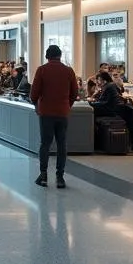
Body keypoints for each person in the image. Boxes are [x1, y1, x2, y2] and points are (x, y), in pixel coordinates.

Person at [30, 45, 79, 188]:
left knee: (45, 144)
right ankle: (60, 177)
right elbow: (74, 93)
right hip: (62, 113)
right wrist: (66, 105)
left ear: (47, 56)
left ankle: (43, 175)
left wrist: (36, 105)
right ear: (60, 55)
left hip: (46, 113)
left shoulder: (42, 70)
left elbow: (34, 94)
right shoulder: (69, 71)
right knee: (61, 144)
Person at [91, 70, 133, 150]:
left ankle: (95, 140)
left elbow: (104, 102)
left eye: (98, 80)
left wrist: (91, 104)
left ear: (103, 79)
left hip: (112, 110)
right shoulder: (110, 85)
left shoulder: (108, 86)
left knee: (91, 113)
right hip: (115, 109)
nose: (98, 82)